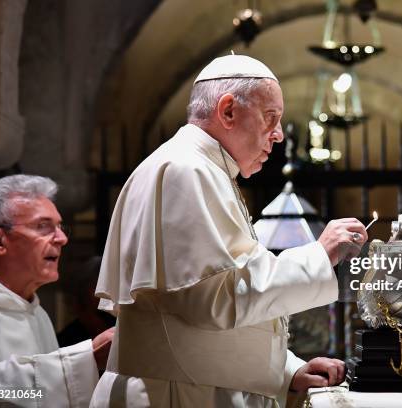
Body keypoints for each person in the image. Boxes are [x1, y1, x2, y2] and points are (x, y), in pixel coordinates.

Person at [90, 54, 367, 408]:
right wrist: (319, 254)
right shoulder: (186, 170)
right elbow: (215, 300)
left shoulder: (202, 169)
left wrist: (286, 372)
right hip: (172, 396)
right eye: (271, 118)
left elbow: (195, 321)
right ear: (228, 111)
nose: (279, 135)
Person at [0, 174, 114, 407]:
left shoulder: (37, 313)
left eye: (60, 227)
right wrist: (84, 360)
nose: (61, 239)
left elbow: (39, 397)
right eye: (43, 226)